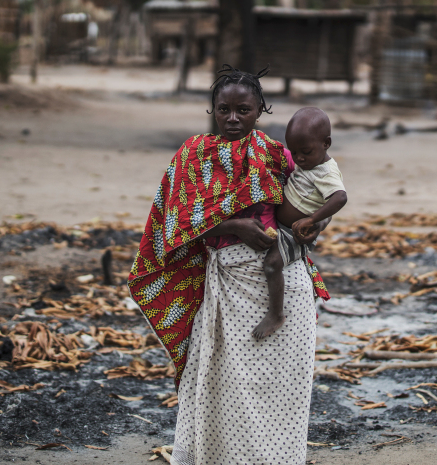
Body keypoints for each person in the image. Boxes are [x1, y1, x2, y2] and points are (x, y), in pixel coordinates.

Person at [128, 65, 330, 465]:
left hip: (283, 281)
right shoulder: (192, 156)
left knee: (283, 384)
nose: (233, 118)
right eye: (224, 109)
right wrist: (234, 226)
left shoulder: (278, 155)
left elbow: (315, 198)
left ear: (260, 111)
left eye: (244, 110)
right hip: (228, 284)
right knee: (224, 381)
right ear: (213, 110)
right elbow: (173, 225)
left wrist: (312, 227)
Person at [252, 107, 347, 341]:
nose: (299, 158)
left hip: (294, 234)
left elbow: (340, 198)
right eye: (294, 152)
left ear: (326, 143)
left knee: (272, 264)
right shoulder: (307, 165)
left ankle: (276, 314)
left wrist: (313, 220)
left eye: (306, 152)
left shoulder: (326, 172)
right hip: (282, 227)